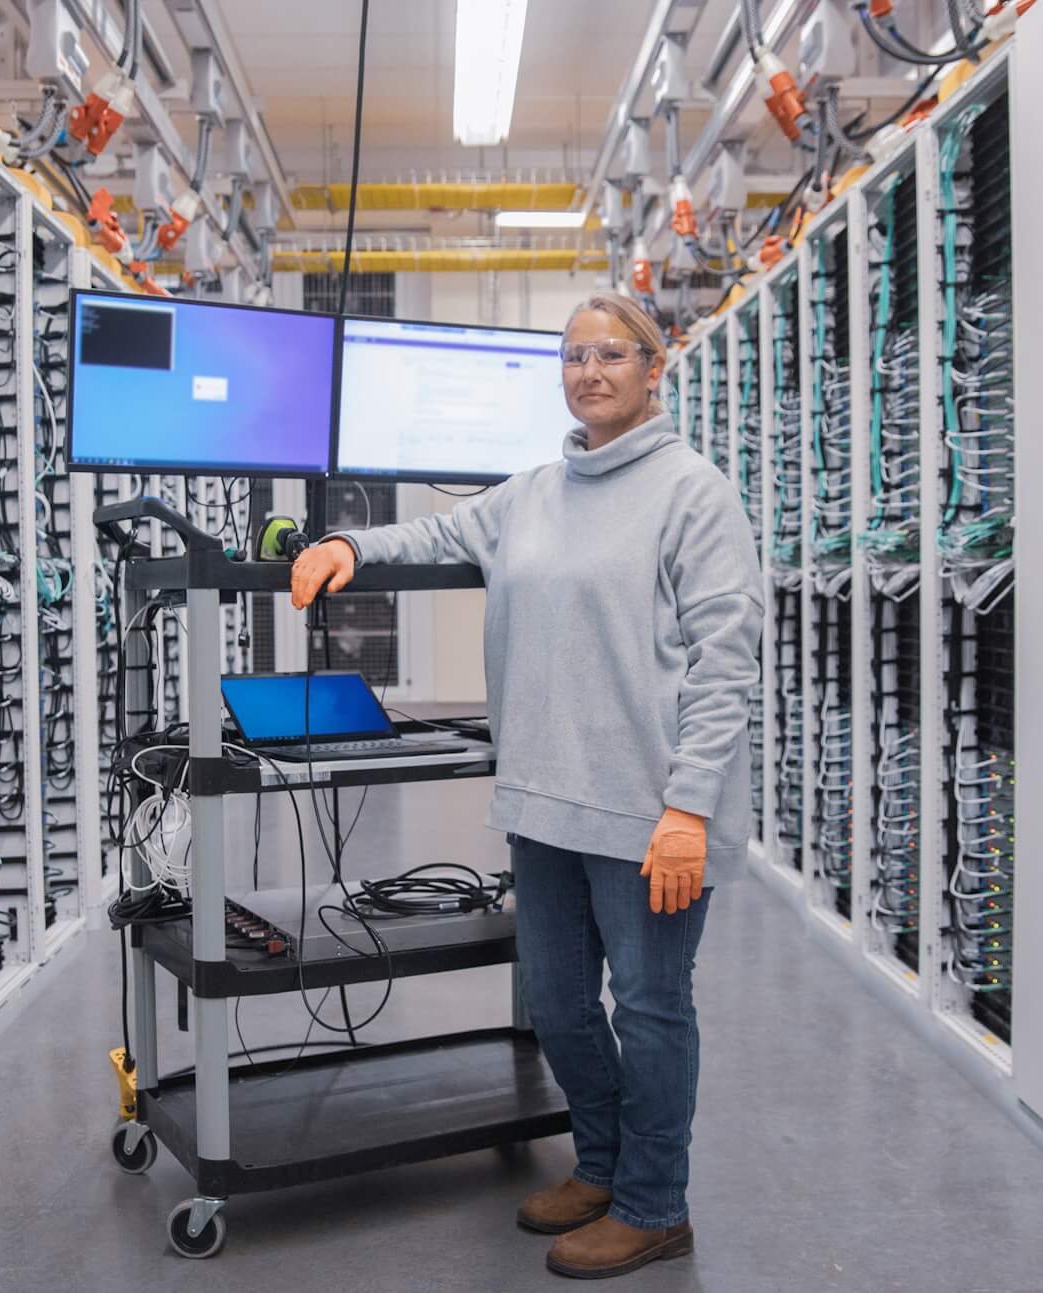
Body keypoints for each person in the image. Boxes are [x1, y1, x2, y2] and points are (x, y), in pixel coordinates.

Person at [290, 294, 763, 1279]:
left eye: (610, 355)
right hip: (544, 804)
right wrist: (345, 547)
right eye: (573, 355)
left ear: (652, 367)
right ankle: (598, 1166)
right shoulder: (532, 493)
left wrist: (688, 807)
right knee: (554, 1002)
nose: (589, 372)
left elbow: (725, 661)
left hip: (648, 814)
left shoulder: (693, 492)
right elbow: (431, 537)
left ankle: (653, 1204)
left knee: (649, 1007)